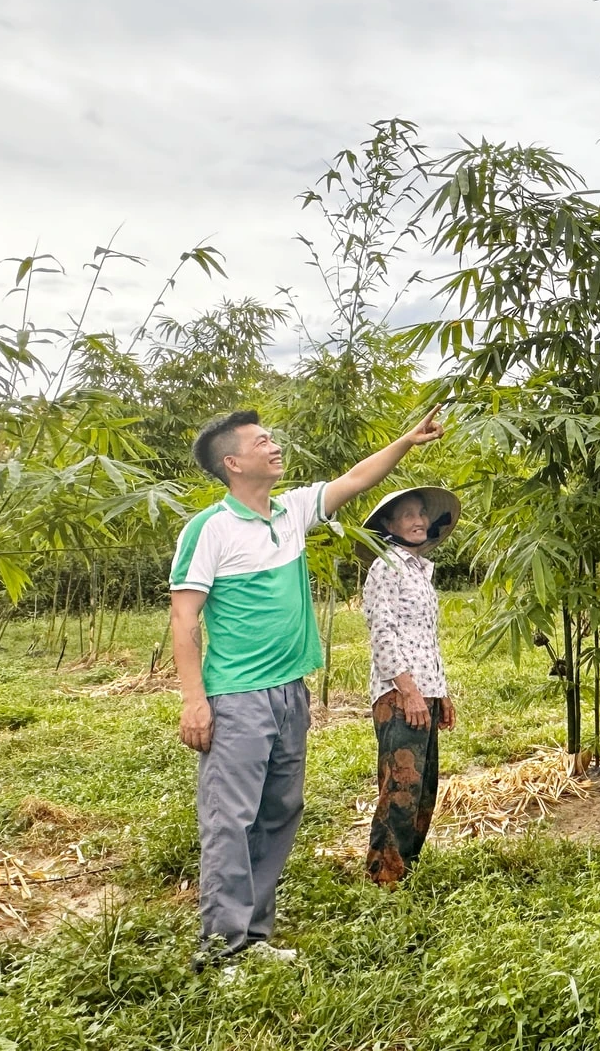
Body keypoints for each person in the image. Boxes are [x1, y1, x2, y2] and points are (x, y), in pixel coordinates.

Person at [170, 406, 443, 968]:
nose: (274, 446)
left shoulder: (290, 511)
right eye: (261, 440)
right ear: (232, 462)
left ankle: (255, 937)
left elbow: (356, 479)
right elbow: (183, 620)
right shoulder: (209, 529)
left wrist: (406, 442)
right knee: (231, 819)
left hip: (289, 690)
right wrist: (194, 701)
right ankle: (221, 951)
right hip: (236, 695)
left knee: (279, 811)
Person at [360, 485, 461, 885]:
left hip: (424, 692)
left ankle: (407, 870)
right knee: (400, 788)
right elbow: (382, 633)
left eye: (421, 513)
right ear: (389, 524)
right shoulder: (386, 567)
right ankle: (382, 876)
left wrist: (440, 692)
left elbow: (424, 638)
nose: (418, 521)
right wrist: (409, 690)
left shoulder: (419, 571)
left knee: (423, 788)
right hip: (400, 695)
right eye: (407, 515)